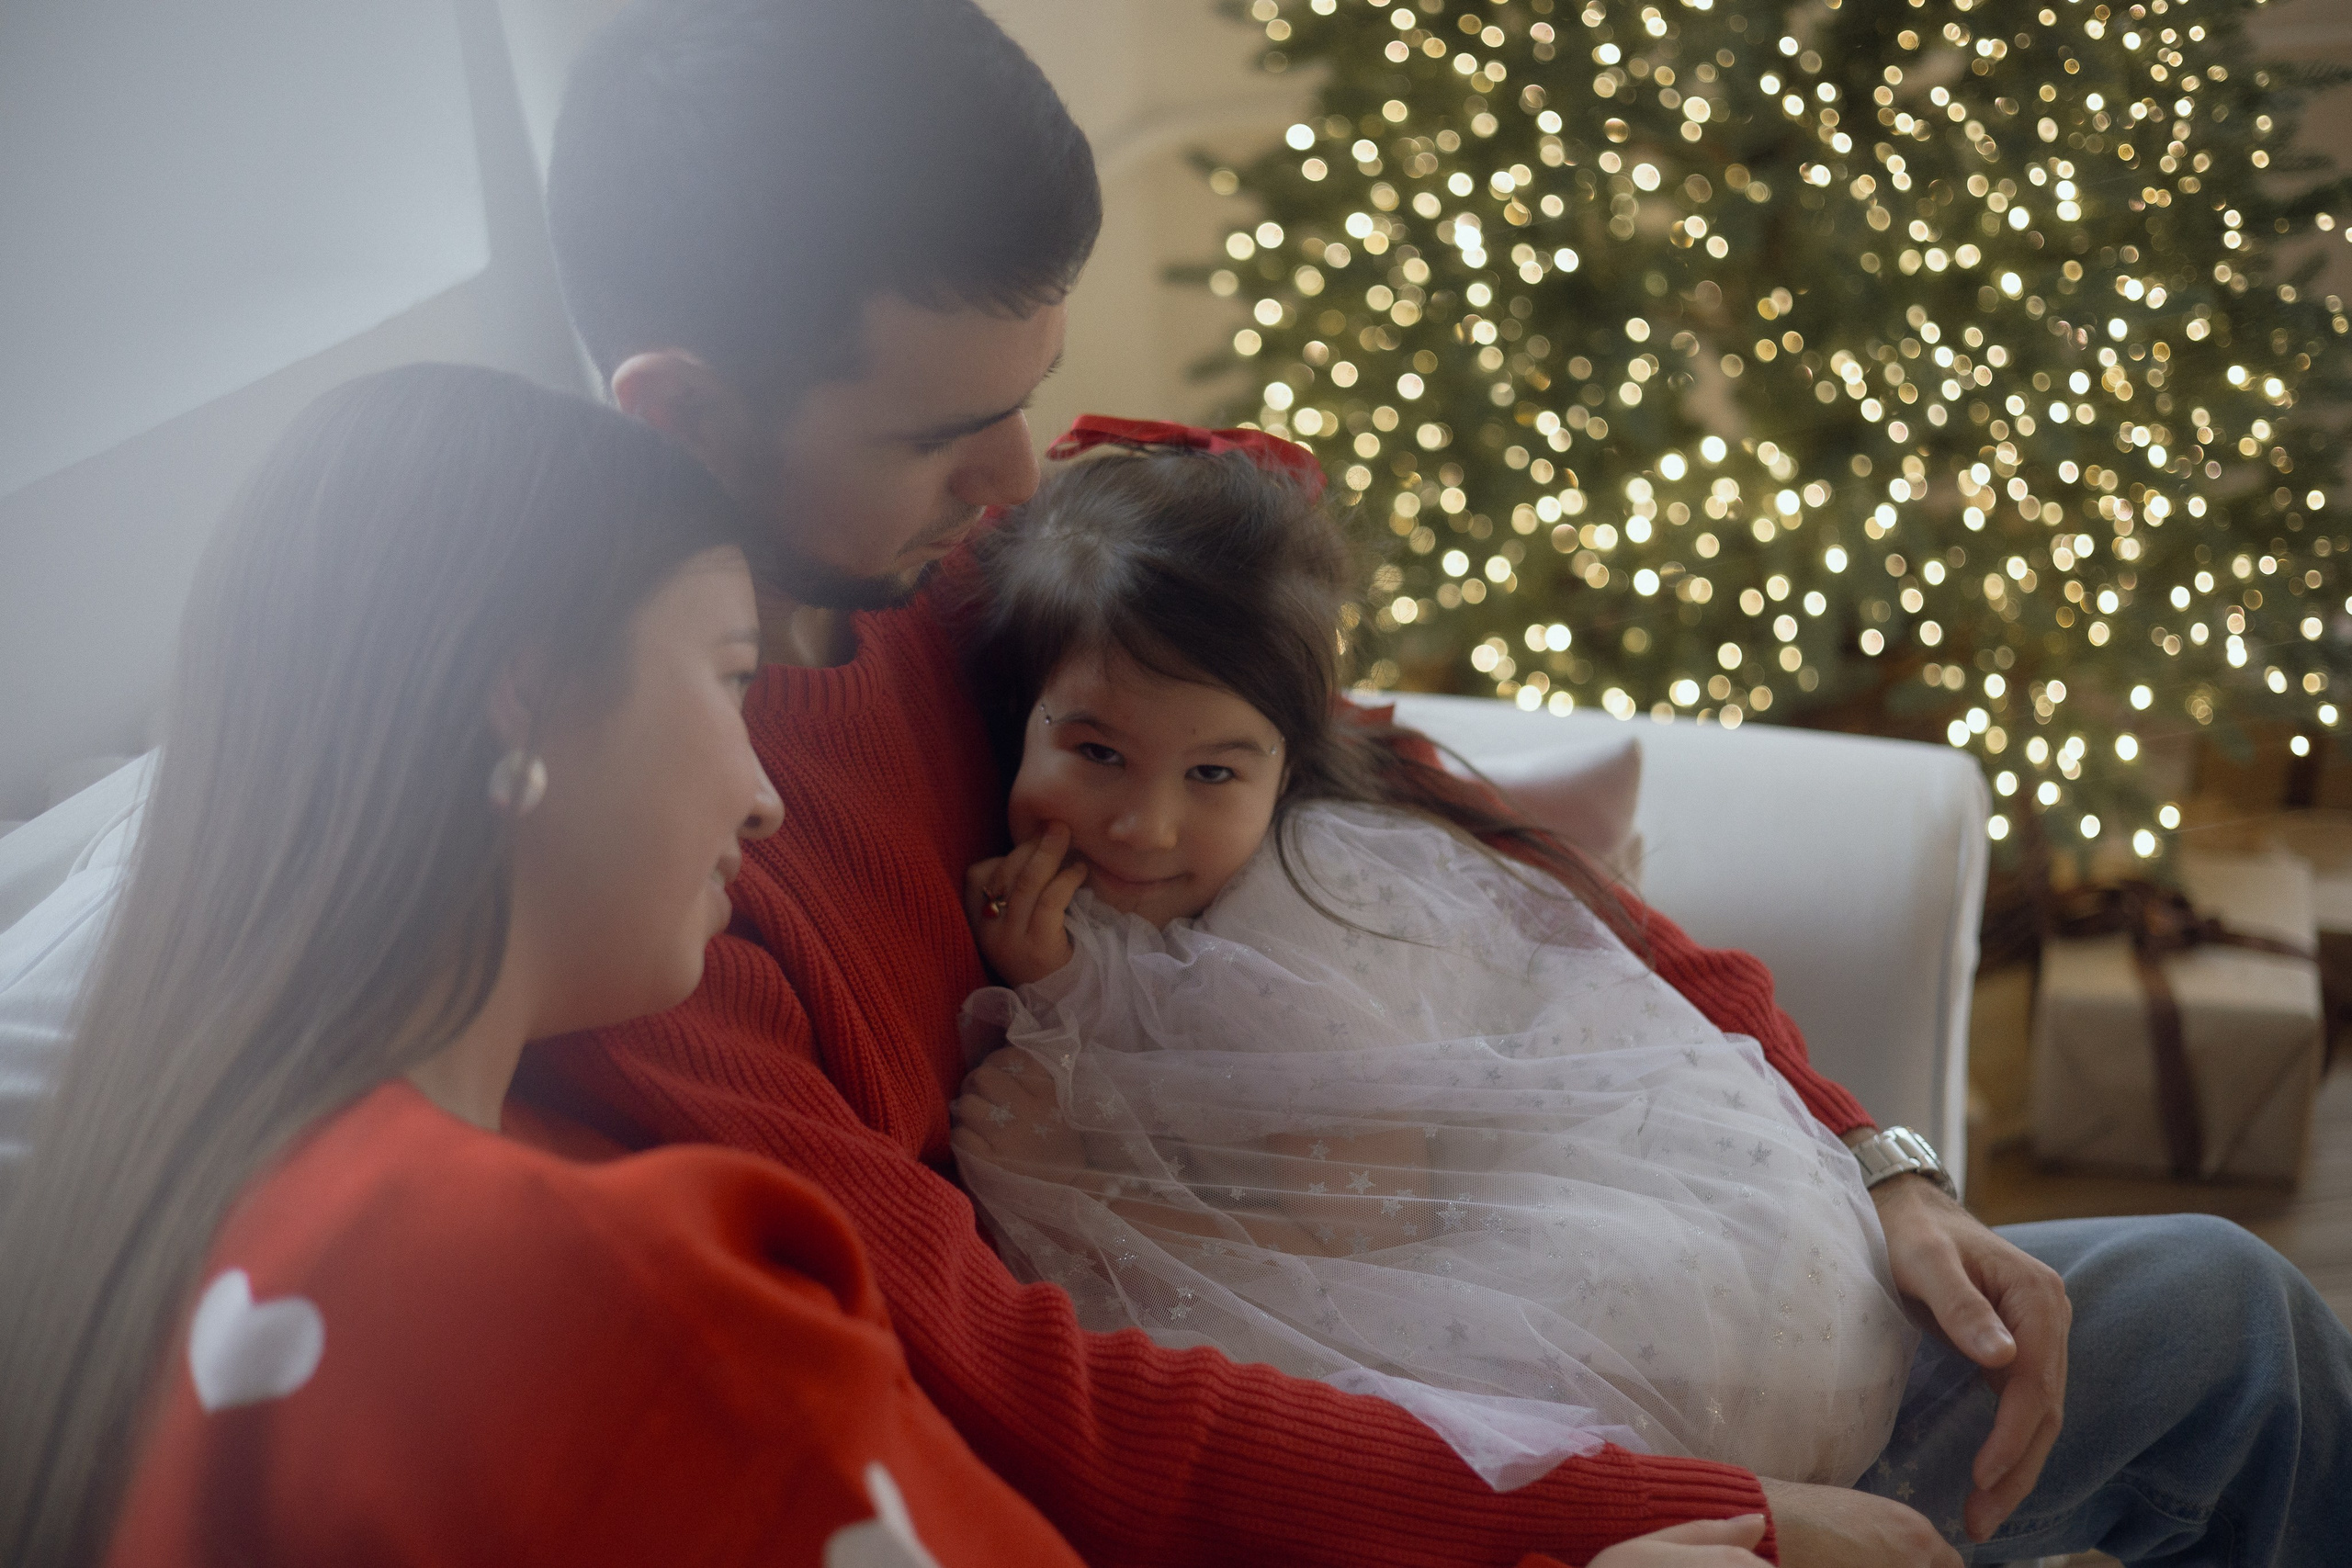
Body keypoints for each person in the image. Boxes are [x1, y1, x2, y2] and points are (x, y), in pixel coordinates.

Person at [3, 0, 2345, 1562]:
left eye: (1031, 387)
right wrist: (1680, 1503)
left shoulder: (987, 571)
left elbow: (1443, 822)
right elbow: (1021, 1391)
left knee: (2179, 1301)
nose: (1016, 471)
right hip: (1439, 1444)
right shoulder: (640, 907)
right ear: (682, 418)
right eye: (939, 427)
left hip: (1516, 1290)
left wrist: (1879, 1151)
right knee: (2226, 1339)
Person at [0, 365, 1091, 1568]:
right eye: (733, 678)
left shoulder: (148, 1212)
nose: (764, 793)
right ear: (523, 695)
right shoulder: (587, 1288)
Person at [944, 437, 1917, 1491]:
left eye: (1213, 771)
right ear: (1017, 716)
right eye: (1096, 754)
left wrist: (1083, 1179)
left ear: (1286, 765)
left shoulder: (1304, 915)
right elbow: (1172, 1054)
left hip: (1622, 1288)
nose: (1142, 823)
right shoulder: (1157, 877)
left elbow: (1356, 1216)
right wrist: (1053, 977)